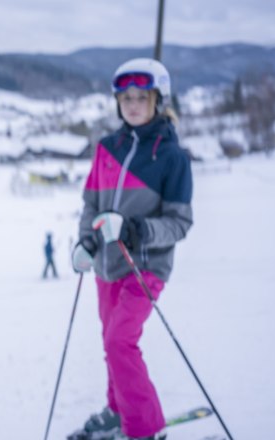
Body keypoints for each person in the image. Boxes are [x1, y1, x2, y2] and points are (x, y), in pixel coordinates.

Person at [70, 58, 193, 440]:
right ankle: (116, 409)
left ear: (158, 99)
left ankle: (144, 429)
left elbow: (179, 223)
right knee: (111, 341)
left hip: (146, 267)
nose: (133, 104)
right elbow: (91, 203)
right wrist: (86, 243)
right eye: (126, 98)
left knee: (119, 340)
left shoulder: (171, 157)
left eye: (142, 97)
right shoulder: (108, 148)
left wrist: (134, 230)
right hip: (106, 267)